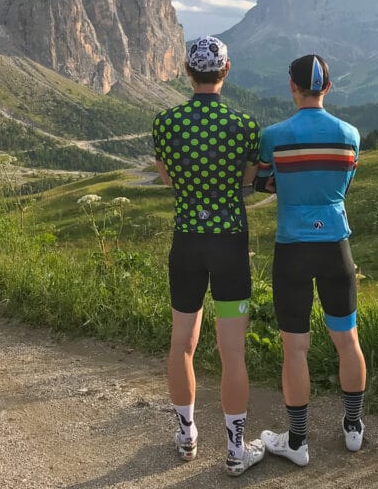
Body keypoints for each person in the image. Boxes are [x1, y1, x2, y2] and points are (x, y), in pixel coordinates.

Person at [151, 35, 265, 476]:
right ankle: (236, 450)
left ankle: (186, 435)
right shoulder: (244, 126)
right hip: (230, 242)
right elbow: (249, 179)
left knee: (183, 343)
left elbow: (166, 179)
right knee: (231, 352)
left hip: (187, 242)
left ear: (186, 71)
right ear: (227, 70)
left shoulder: (165, 123)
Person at [255, 54, 367, 466]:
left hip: (293, 248)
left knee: (295, 349)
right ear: (329, 88)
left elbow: (262, 182)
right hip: (336, 244)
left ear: (292, 86)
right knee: (347, 339)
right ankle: (353, 428)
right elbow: (346, 183)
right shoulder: (350, 135)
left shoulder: (274, 135)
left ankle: (298, 442)